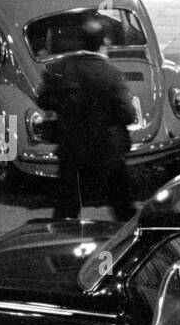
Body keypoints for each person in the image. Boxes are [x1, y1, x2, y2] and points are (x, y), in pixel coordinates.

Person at [38, 18, 137, 221]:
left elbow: (44, 100)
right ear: (104, 43)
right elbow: (127, 114)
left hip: (73, 150)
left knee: (67, 208)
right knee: (123, 207)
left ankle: (62, 244)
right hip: (107, 151)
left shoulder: (61, 69)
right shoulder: (112, 74)